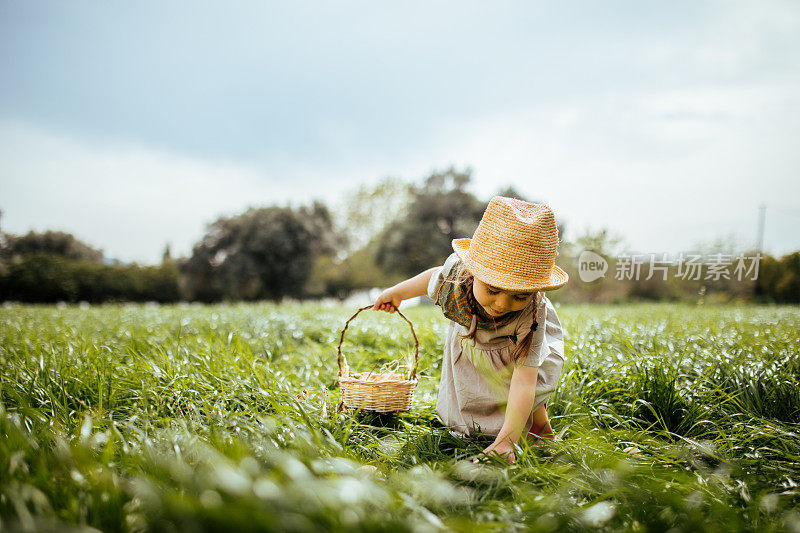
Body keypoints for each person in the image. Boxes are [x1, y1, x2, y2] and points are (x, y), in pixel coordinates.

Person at [372, 196, 568, 462]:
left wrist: (507, 443)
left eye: (518, 296)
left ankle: (538, 425)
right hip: (475, 341)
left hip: (516, 350)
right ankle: (490, 430)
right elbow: (431, 278)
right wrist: (396, 293)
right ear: (473, 272)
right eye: (493, 289)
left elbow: (524, 382)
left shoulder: (532, 312)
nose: (501, 304)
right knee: (476, 389)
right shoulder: (455, 278)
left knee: (531, 389)